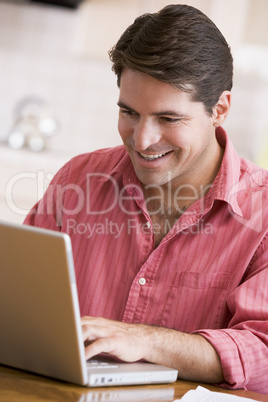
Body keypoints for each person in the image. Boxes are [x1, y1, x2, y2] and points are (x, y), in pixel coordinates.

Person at [24, 4, 268, 393]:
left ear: (219, 109)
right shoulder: (79, 179)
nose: (142, 140)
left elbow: (263, 352)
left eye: (169, 119)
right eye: (129, 112)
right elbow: (20, 300)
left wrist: (146, 341)